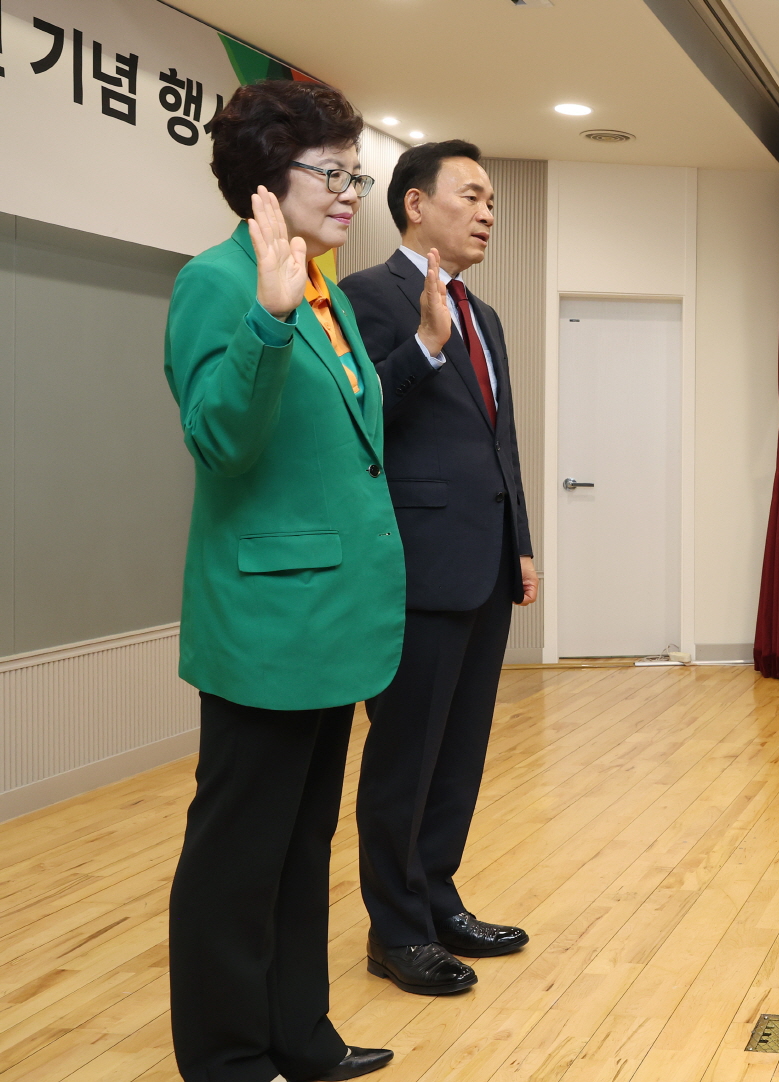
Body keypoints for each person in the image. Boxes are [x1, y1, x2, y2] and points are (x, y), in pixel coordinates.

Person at [164, 81, 402, 1082]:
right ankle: (225, 1057)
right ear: (266, 178)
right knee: (237, 856)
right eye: (331, 172)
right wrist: (266, 319)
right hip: (266, 624)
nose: (350, 192)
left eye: (356, 174)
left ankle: (301, 1035)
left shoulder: (324, 287)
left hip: (330, 618)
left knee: (304, 844)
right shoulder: (219, 283)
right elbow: (218, 439)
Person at [341, 140, 538, 995]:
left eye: (492, 200)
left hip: (485, 562)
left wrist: (520, 540)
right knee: (406, 756)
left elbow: (500, 439)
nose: (488, 212)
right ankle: (394, 930)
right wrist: (423, 345)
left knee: (458, 754)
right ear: (416, 204)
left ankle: (438, 901)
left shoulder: (484, 315)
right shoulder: (367, 296)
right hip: (416, 567)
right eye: (472, 195)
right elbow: (357, 414)